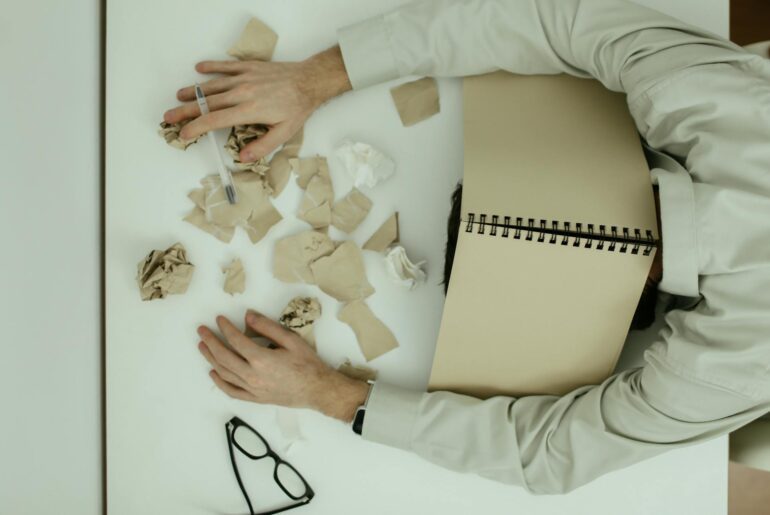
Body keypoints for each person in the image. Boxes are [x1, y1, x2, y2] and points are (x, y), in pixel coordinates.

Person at [163, 0, 770, 494]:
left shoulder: (739, 362)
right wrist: (318, 76)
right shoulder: (735, 115)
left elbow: (556, 452)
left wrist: (333, 395)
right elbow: (561, 22)